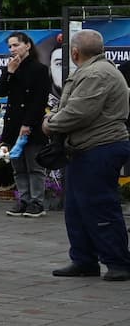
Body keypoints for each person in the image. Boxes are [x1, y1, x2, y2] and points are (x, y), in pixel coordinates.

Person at [46, 29, 130, 280]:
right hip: (85, 149)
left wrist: (50, 124)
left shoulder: (97, 73)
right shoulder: (94, 70)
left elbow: (79, 112)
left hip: (100, 147)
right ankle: (84, 260)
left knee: (100, 206)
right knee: (76, 208)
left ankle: (118, 262)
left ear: (74, 52)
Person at [0, 31, 51, 218]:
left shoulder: (39, 69)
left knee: (34, 166)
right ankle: (23, 199)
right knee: (18, 166)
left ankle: (37, 202)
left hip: (32, 123)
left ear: (27, 45)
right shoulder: (12, 68)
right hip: (13, 124)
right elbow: (1, 91)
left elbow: (39, 100)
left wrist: (28, 123)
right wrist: (9, 72)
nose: (13, 49)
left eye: (16, 45)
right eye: (10, 46)